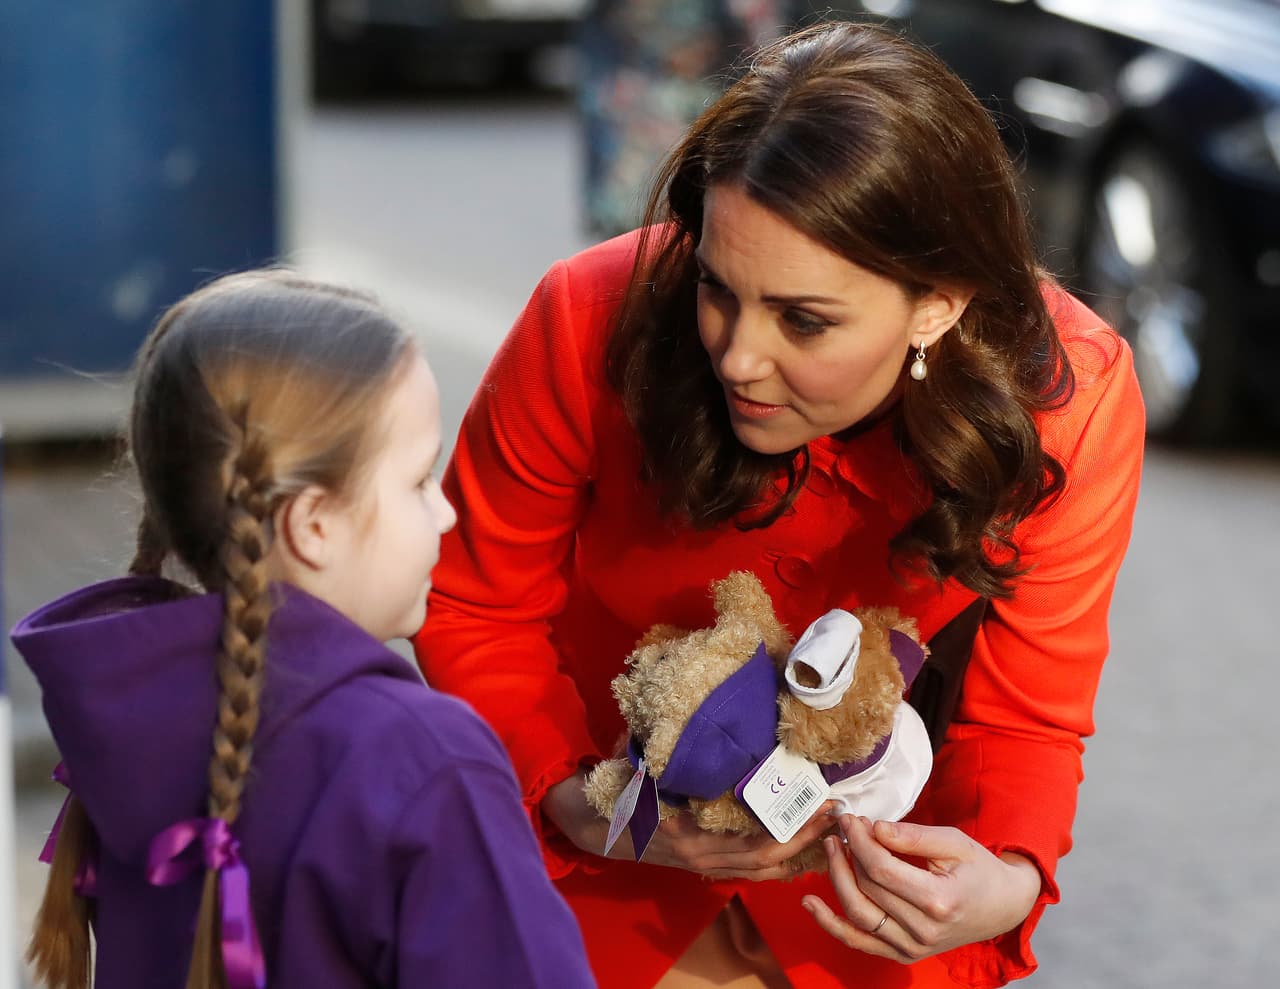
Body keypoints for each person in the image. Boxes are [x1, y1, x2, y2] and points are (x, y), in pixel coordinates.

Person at [415, 18, 1145, 989]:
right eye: (716, 287)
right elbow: (473, 604)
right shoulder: (587, 315)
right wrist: (571, 798)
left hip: (860, 908)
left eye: (804, 319)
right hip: (593, 867)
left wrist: (1005, 876)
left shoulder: (1068, 398)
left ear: (939, 300)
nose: (736, 357)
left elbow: (1024, 720)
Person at [12, 270, 597, 989]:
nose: (444, 513)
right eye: (419, 482)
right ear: (313, 524)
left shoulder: (129, 719)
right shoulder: (423, 759)